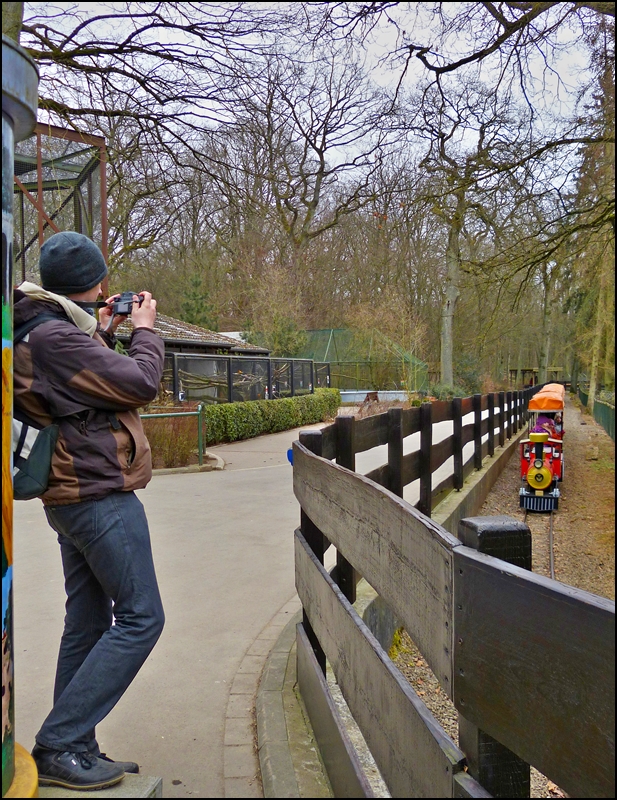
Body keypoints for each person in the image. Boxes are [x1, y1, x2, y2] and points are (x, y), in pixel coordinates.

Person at [13, 231, 165, 791]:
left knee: (89, 619)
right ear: (94, 281)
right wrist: (145, 333)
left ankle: (76, 743)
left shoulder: (42, 327)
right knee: (143, 618)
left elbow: (77, 380)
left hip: (71, 497)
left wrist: (104, 330)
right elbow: (140, 382)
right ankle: (60, 742)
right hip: (96, 495)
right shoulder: (55, 337)